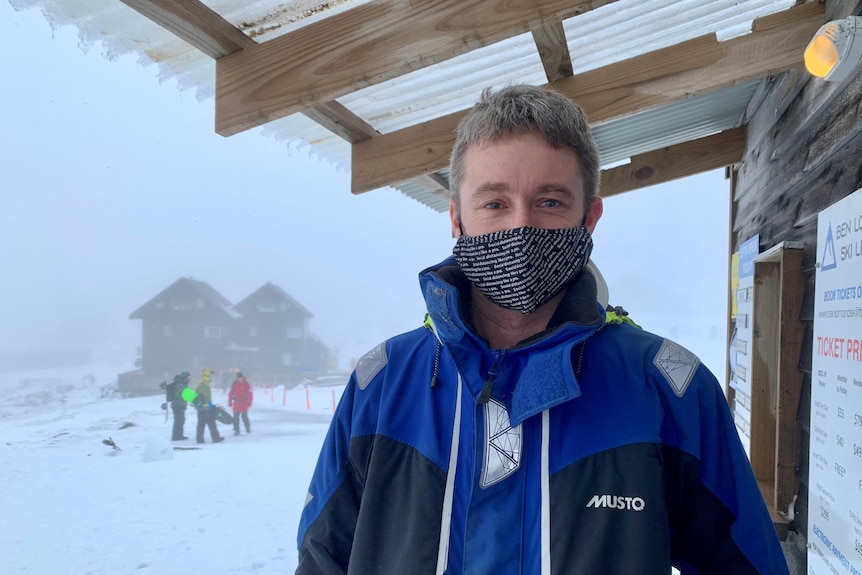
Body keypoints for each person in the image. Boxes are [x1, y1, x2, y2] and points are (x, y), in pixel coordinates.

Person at [294, 85, 789, 575]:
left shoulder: (667, 389)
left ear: (589, 218)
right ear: (456, 217)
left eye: (550, 202)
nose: (520, 226)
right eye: (494, 203)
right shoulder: (381, 384)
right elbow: (321, 559)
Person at [193, 368, 223, 444]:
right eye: (210, 375)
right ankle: (215, 438)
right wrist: (207, 406)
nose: (211, 377)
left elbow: (206, 398)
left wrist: (210, 405)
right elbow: (199, 398)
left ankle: (200, 440)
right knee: (210, 423)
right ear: (207, 376)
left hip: (203, 408)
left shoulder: (204, 385)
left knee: (202, 424)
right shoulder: (202, 385)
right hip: (204, 409)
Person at [165, 371, 190, 441]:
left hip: (181, 405)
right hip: (177, 406)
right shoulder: (180, 385)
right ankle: (175, 437)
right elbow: (180, 395)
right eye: (188, 378)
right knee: (178, 421)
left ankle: (180, 435)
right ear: (185, 378)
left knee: (181, 420)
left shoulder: (183, 384)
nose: (189, 379)